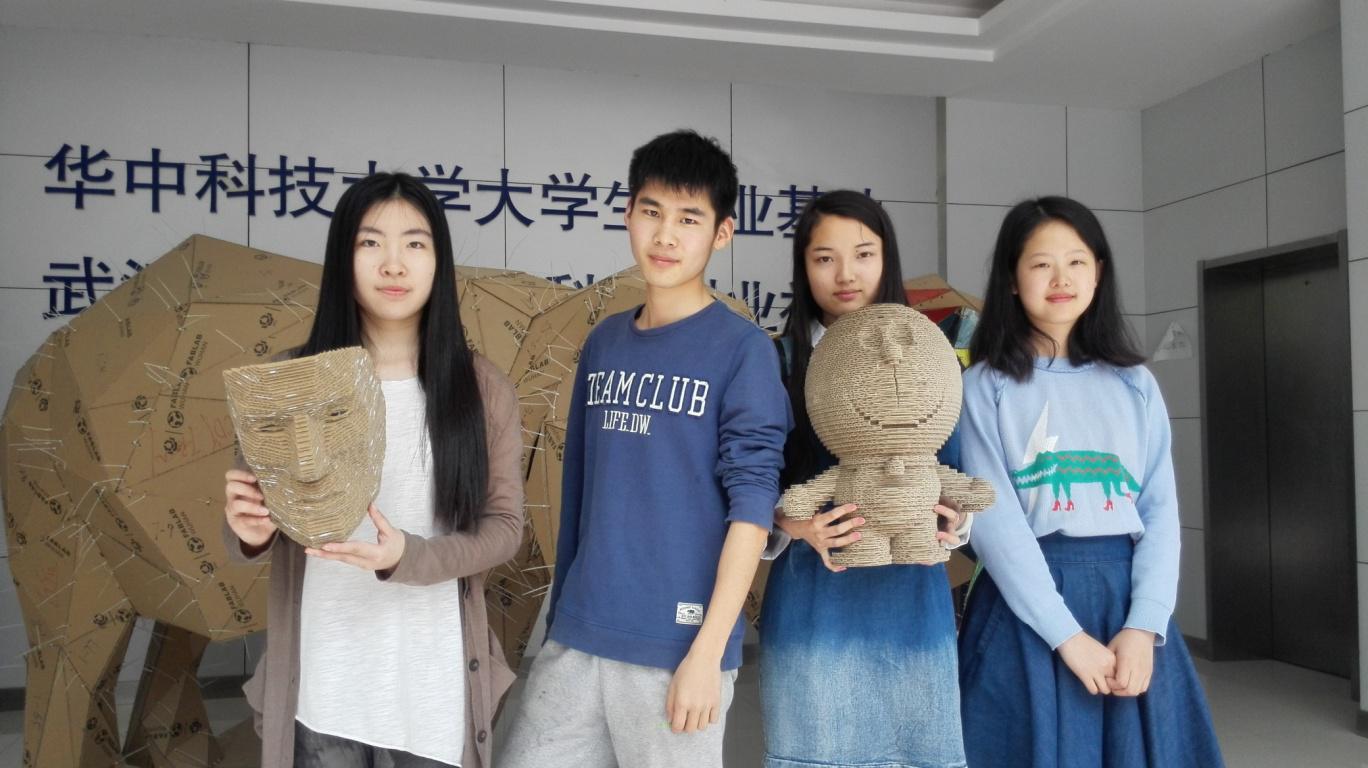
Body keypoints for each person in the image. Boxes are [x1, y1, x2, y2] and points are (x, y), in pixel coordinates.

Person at [500, 129, 791, 768]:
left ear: (722, 233)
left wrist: (709, 653)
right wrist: (560, 620)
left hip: (677, 647)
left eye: (689, 219)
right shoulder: (604, 342)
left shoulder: (743, 350)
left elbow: (751, 509)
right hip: (578, 635)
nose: (666, 235)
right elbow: (581, 488)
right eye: (652, 212)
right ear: (628, 214)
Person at [222, 172, 524, 768]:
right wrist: (251, 532)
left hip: (434, 685)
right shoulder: (290, 380)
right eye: (370, 242)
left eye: (414, 243)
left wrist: (407, 556)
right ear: (344, 257)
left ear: (438, 261)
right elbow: (250, 525)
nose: (393, 264)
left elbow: (505, 529)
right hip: (323, 684)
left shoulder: (480, 388)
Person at [957, 196, 1223, 767]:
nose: (1061, 279)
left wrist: (1145, 626)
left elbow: (1159, 511)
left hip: (1125, 605)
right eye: (1041, 264)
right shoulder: (983, 385)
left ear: (1098, 274)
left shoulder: (1135, 383)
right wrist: (1067, 637)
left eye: (1077, 262)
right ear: (1011, 279)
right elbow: (994, 521)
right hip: (1026, 607)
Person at [759, 189, 970, 768]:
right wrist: (795, 525)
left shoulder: (930, 354)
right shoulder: (777, 361)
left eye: (863, 254)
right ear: (803, 268)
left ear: (887, 259)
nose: (846, 274)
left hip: (913, 603)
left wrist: (953, 520)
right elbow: (748, 484)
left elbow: (954, 471)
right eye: (824, 258)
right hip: (815, 602)